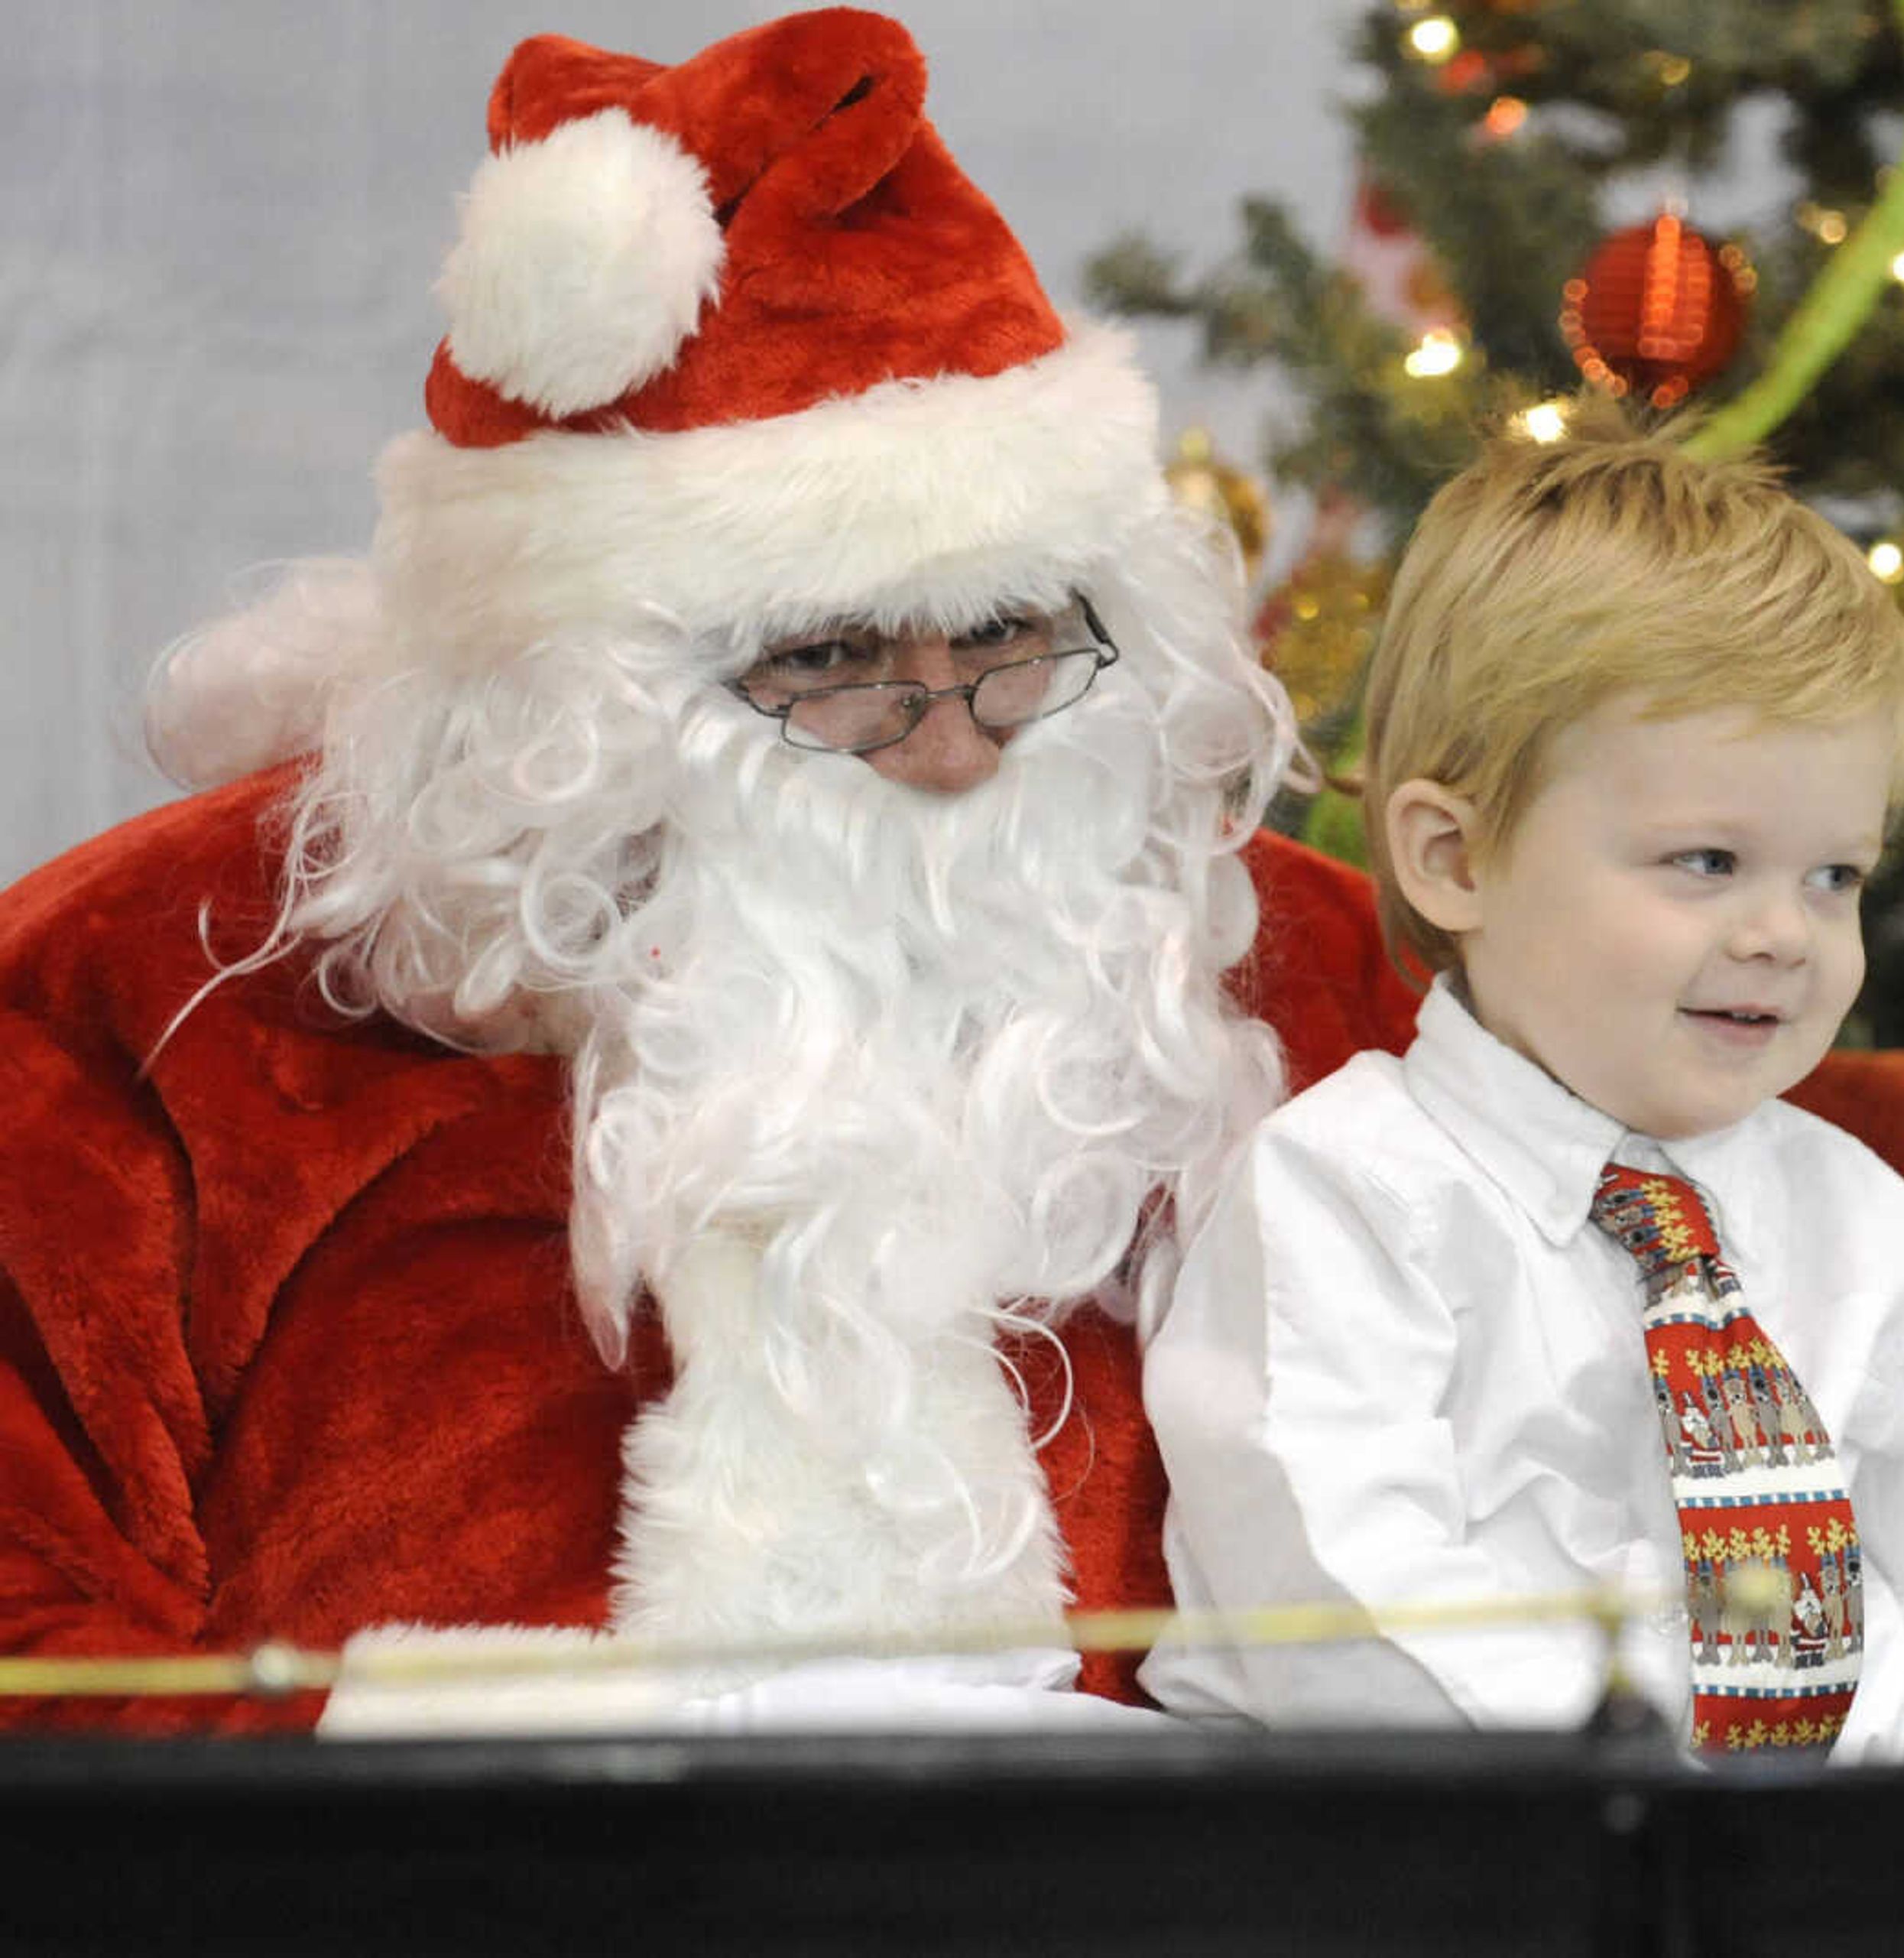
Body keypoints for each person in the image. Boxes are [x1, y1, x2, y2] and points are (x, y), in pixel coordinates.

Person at [0, 8, 1416, 1736]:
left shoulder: (1304, 967)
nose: (956, 746)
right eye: (828, 658)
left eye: (1012, 636)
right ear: (570, 702)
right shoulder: (161, 991)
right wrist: (447, 1789)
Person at [1139, 411, 1904, 1955]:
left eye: (1836, 877)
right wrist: (1680, 1839)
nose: (1786, 934)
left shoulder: (1861, 1231)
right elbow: (1352, 1621)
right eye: (1708, 864)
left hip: (1825, 1900)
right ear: (1452, 858)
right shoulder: (1342, 1196)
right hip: (1440, 1889)